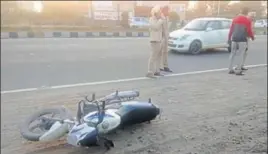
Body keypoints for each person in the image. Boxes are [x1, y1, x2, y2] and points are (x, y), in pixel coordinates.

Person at [228, 7, 255, 75]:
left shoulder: (235, 19)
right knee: (240, 54)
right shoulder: (247, 20)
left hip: (234, 38)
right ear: (247, 12)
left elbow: (231, 29)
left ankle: (230, 69)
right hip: (242, 39)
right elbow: (249, 31)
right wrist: (252, 37)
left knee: (232, 54)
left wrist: (229, 38)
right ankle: (238, 71)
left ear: (241, 11)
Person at [146, 5, 164, 78]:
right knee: (153, 57)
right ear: (155, 13)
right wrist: (161, 20)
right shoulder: (151, 20)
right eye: (159, 12)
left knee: (159, 56)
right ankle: (150, 72)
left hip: (159, 40)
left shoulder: (159, 20)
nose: (160, 13)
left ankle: (157, 71)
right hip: (154, 41)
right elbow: (156, 27)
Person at [160, 6, 172, 73]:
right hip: (161, 38)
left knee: (165, 53)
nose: (169, 12)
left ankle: (165, 66)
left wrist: (168, 36)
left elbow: (167, 28)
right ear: (164, 11)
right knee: (159, 53)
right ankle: (158, 67)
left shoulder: (167, 17)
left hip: (166, 37)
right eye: (168, 11)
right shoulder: (160, 17)